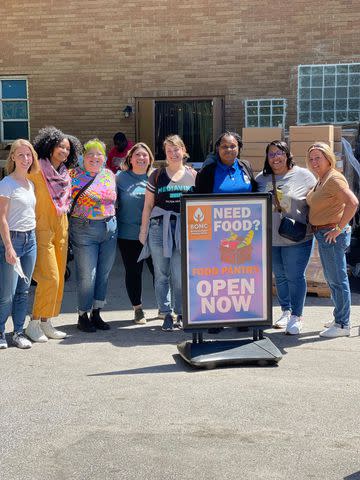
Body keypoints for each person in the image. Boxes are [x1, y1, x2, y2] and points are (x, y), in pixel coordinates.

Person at [25, 127, 82, 343]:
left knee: (59, 279)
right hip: (41, 228)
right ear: (49, 146)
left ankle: (47, 321)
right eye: (60, 146)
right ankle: (33, 322)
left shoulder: (66, 175)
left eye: (68, 149)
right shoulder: (36, 170)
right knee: (49, 277)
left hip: (61, 227)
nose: (64, 151)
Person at [256, 140, 316, 335]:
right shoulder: (261, 179)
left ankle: (297, 316)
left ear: (288, 154)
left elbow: (317, 201)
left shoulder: (304, 176)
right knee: (280, 277)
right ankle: (286, 310)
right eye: (271, 154)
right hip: (270, 237)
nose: (275, 157)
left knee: (295, 276)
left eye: (279, 153)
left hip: (296, 237)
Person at [139, 134, 196, 331]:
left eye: (176, 149)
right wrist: (143, 230)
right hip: (158, 227)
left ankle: (180, 312)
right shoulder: (156, 175)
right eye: (169, 150)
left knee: (179, 274)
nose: (173, 153)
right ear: (165, 154)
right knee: (161, 273)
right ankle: (165, 313)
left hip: (183, 228)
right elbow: (147, 205)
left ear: (183, 150)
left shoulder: (193, 175)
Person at [306, 142, 358, 338]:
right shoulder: (322, 179)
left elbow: (353, 203)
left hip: (331, 234)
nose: (314, 162)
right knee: (333, 279)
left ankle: (343, 324)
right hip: (323, 233)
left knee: (338, 280)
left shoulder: (334, 179)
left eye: (318, 158)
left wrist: (338, 228)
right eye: (311, 159)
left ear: (329, 158)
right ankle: (339, 317)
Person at [69, 139, 117, 332]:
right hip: (84, 228)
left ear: (104, 158)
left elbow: (112, 197)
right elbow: (91, 198)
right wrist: (101, 198)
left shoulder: (109, 174)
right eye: (90, 154)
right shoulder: (74, 175)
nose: (94, 158)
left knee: (103, 274)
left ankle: (96, 312)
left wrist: (99, 198)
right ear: (83, 157)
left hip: (110, 227)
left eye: (99, 155)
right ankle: (83, 314)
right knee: (88, 275)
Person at [0, 140, 39, 349]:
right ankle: (0, 333)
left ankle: (18, 332)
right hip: (12, 240)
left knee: (24, 290)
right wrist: (8, 246)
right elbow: (2, 219)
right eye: (21, 155)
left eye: (29, 155)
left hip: (30, 239)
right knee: (8, 293)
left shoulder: (30, 184)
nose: (26, 159)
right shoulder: (6, 184)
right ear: (13, 157)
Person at [116, 142, 155, 324]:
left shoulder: (156, 177)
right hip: (129, 235)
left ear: (150, 159)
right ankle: (137, 309)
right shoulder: (120, 178)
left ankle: (165, 308)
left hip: (154, 233)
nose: (141, 158)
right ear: (130, 159)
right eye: (137, 155)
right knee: (134, 272)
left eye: (144, 155)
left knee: (160, 272)